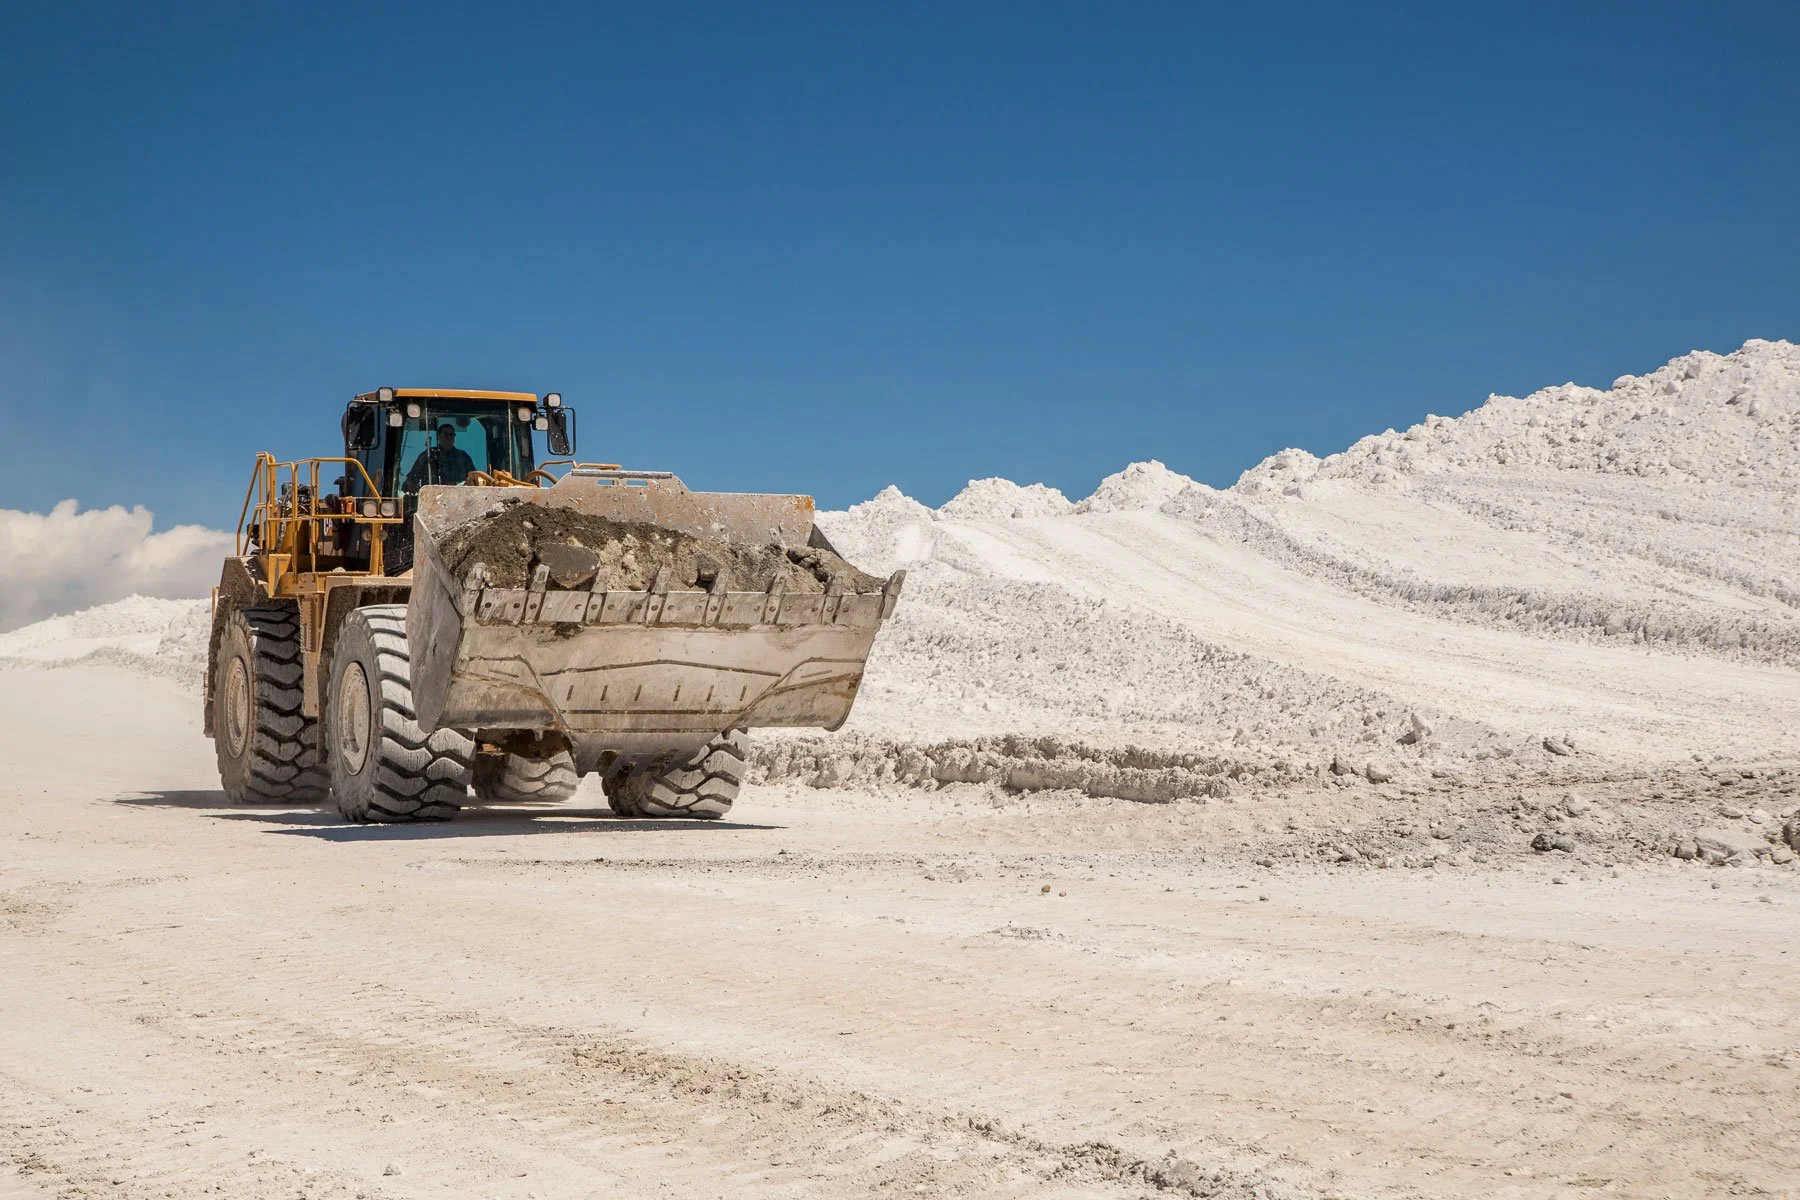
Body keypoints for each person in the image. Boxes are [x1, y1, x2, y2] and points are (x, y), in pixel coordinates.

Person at [404, 423, 478, 491]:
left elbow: (475, 479)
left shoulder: (463, 457)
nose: (449, 437)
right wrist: (418, 491)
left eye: (452, 435)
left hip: (461, 502)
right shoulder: (428, 456)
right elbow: (411, 480)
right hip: (432, 502)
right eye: (446, 434)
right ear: (438, 436)